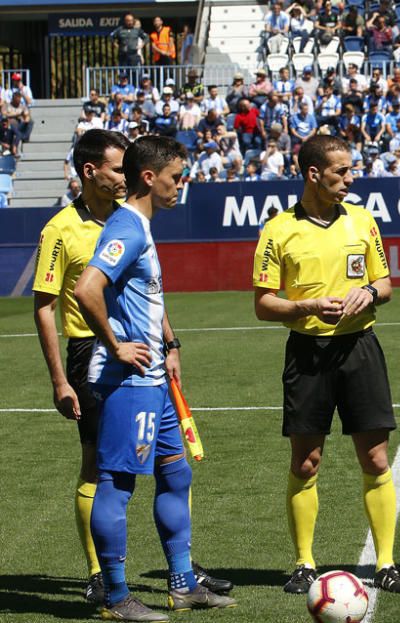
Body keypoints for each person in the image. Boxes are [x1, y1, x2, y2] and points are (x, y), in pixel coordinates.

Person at [33, 131, 232, 608]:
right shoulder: (125, 227)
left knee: (175, 473)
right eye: (175, 178)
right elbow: (86, 289)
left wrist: (168, 343)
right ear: (150, 177)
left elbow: (145, 297)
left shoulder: (137, 225)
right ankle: (116, 595)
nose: (180, 186)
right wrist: (117, 345)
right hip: (127, 380)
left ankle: (182, 583)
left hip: (153, 379)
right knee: (116, 483)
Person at [251, 135, 400, 596]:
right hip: (307, 355)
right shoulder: (278, 230)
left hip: (360, 350)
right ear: (313, 174)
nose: (350, 178)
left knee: (376, 457)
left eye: (350, 170)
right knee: (306, 463)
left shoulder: (363, 221)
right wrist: (306, 307)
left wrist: (369, 292)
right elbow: (263, 305)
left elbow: (384, 283)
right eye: (342, 171)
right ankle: (304, 563)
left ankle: (385, 562)